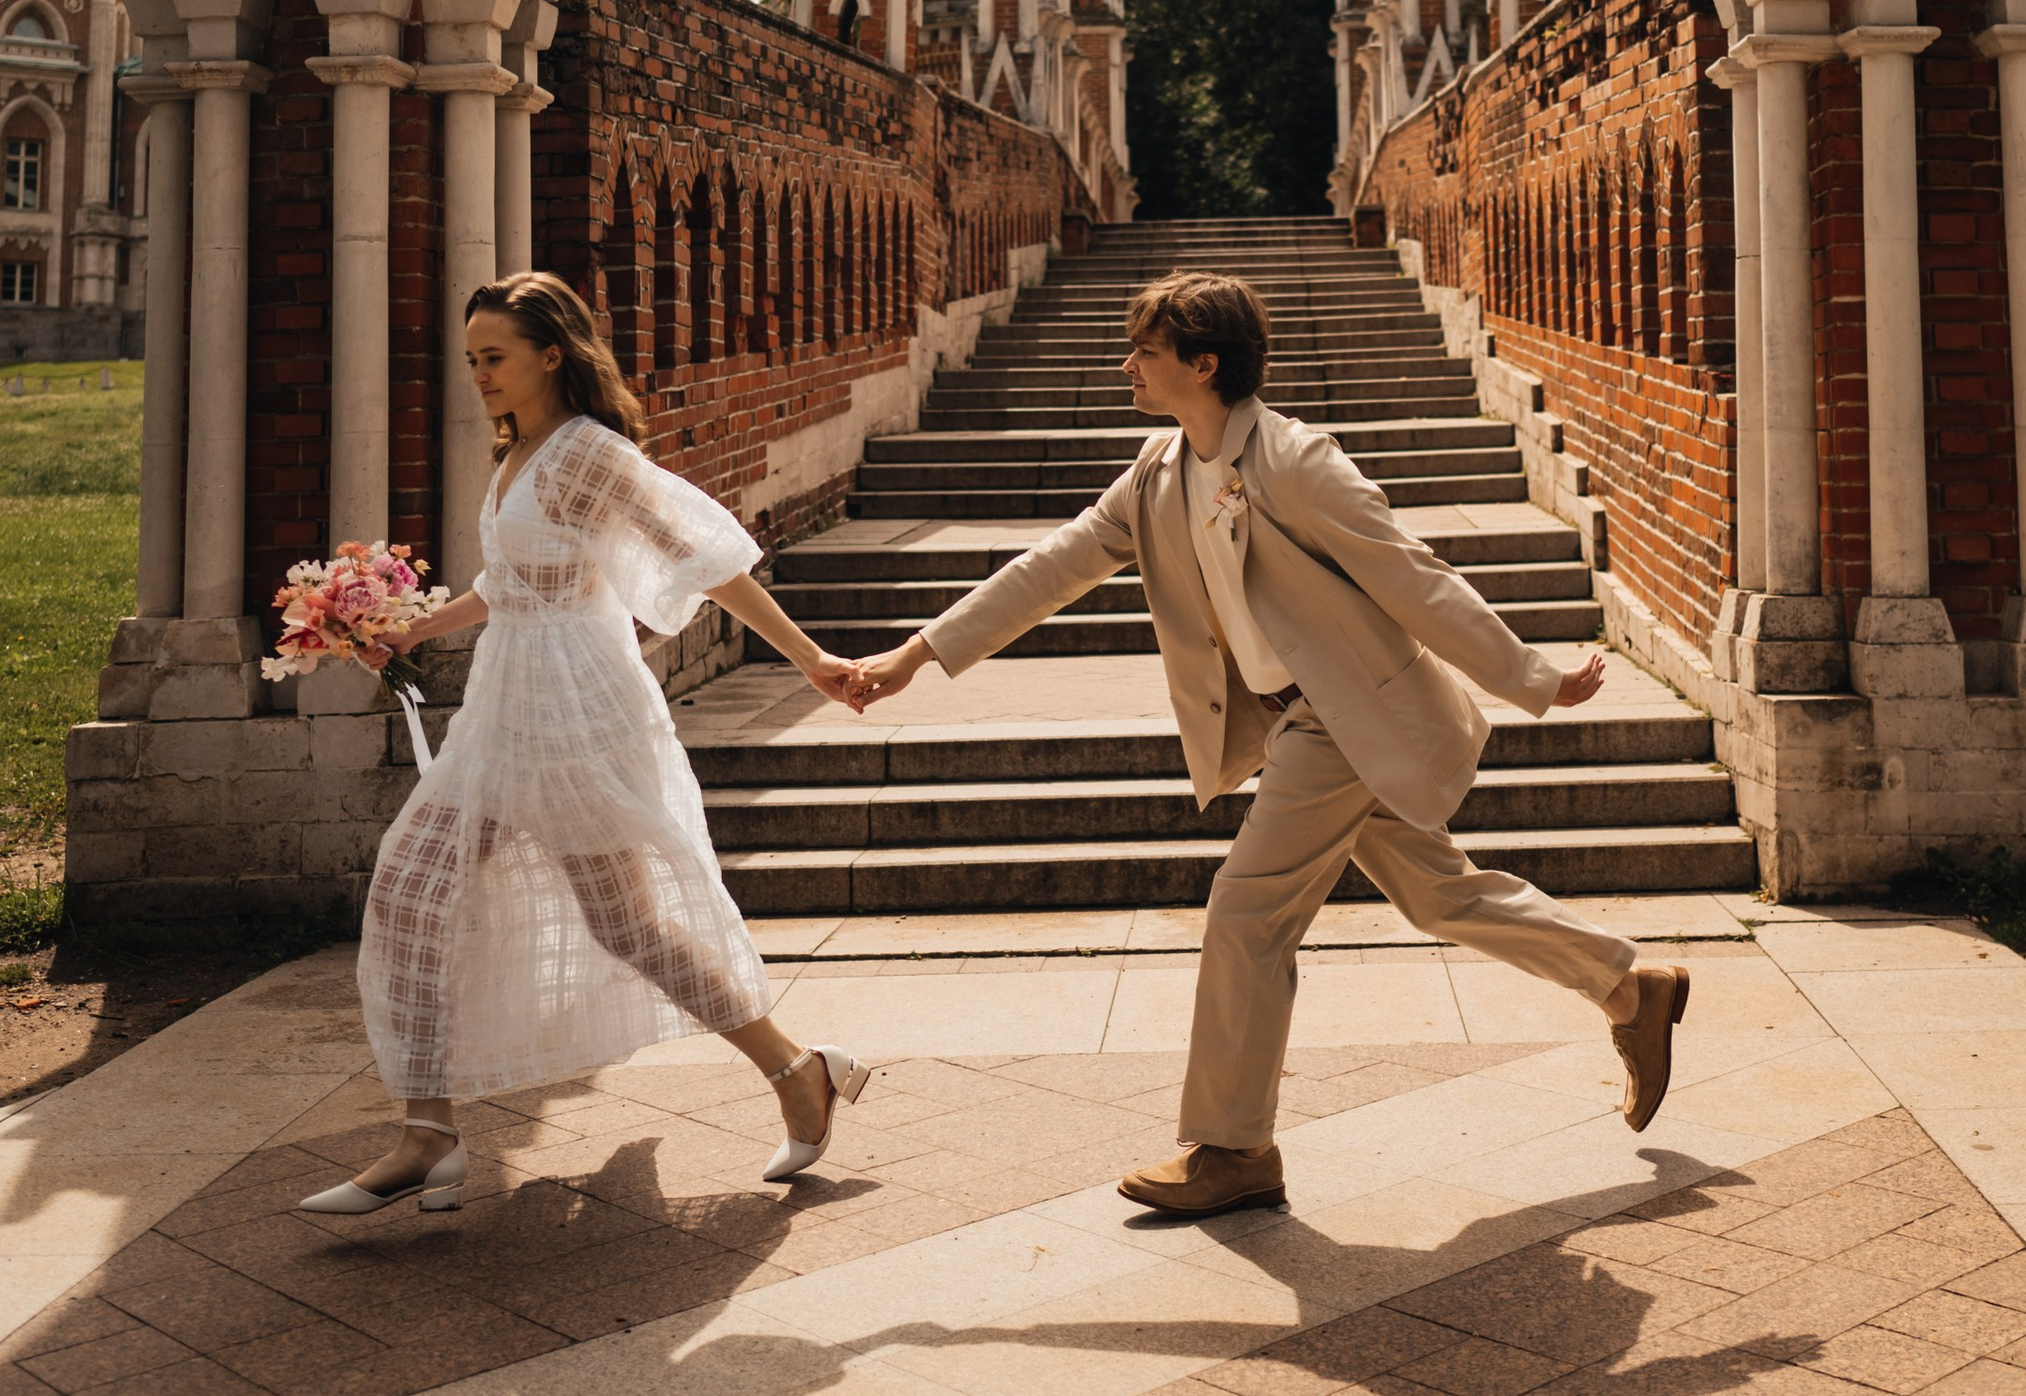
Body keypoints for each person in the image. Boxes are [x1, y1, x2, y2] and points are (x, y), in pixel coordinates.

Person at [844, 267, 1687, 1215]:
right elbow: (1053, 567)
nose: (1128, 367)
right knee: (1442, 894)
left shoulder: (1295, 461)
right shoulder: (1158, 475)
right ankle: (1630, 987)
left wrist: (1532, 677)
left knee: (1247, 912)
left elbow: (1412, 574)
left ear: (1204, 366)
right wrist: (916, 655)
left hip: (1346, 716)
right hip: (1299, 717)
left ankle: (1234, 1147)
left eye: (1147, 353)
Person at [301, 271, 869, 1218]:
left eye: (495, 357)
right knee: (412, 889)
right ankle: (428, 1131)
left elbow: (708, 558)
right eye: (471, 358)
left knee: (626, 924)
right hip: (505, 703)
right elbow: (510, 586)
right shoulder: (519, 453)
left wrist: (810, 660)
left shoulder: (588, 454)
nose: (477, 374)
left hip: (575, 711)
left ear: (551, 355)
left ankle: (797, 1069)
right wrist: (411, 630)